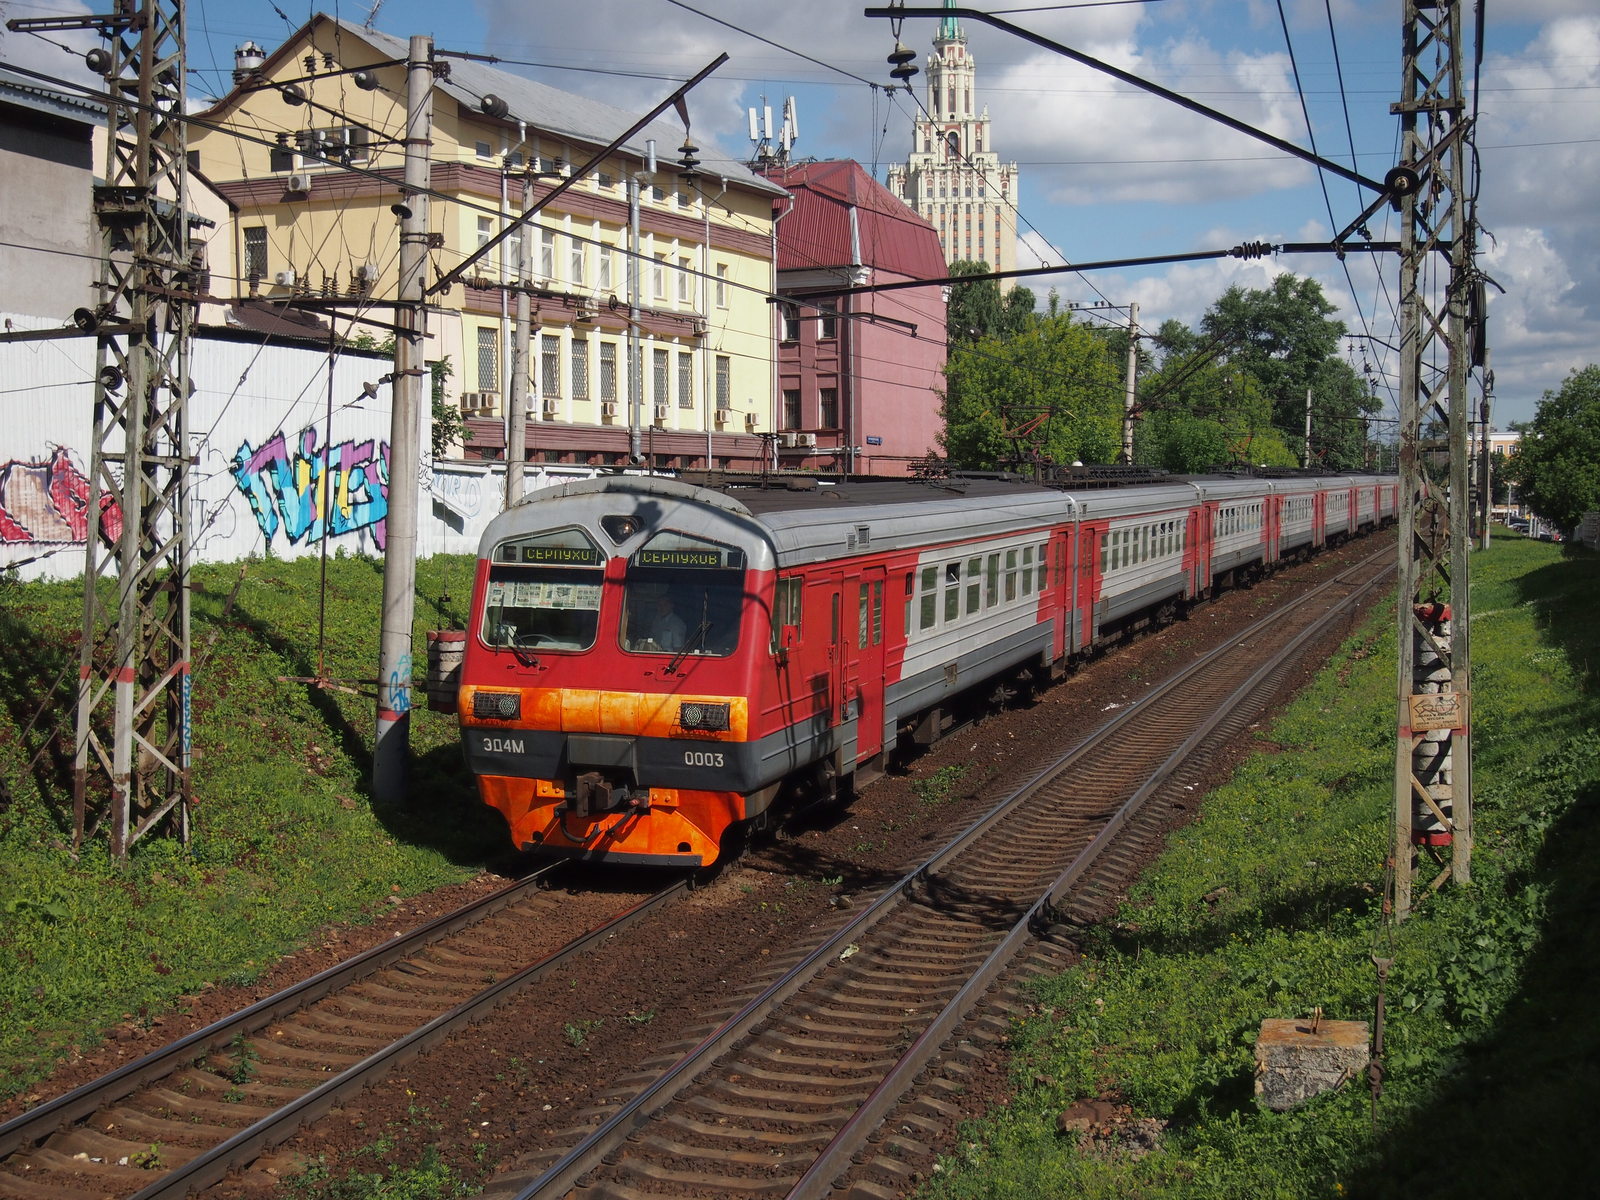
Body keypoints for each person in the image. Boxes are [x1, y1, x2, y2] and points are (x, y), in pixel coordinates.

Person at [632, 585, 685, 651]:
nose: (661, 608)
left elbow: (678, 649)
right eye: (659, 605)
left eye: (665, 605)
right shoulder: (656, 620)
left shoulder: (677, 624)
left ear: (672, 605)